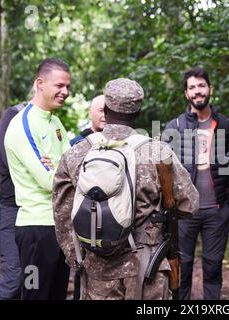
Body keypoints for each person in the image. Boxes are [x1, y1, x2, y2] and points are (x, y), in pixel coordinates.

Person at [52, 78, 199, 300]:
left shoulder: (77, 153)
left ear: (107, 109)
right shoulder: (157, 151)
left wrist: (78, 258)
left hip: (96, 268)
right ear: (138, 112)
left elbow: (62, 211)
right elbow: (190, 204)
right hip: (146, 267)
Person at [163, 67, 229, 300]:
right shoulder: (174, 127)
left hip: (216, 211)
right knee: (182, 267)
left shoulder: (225, 125)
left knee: (213, 266)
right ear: (186, 94)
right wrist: (171, 206)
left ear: (210, 89)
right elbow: (163, 171)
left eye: (201, 86)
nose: (198, 92)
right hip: (185, 213)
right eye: (192, 87)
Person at [4, 58, 72, 300]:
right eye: (59, 86)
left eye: (68, 87)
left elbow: (71, 164)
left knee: (57, 295)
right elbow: (49, 181)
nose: (65, 92)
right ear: (40, 83)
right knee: (34, 294)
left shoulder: (55, 122)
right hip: (35, 232)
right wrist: (61, 170)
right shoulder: (23, 124)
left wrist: (61, 169)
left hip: (60, 227)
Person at [0, 103, 26, 299]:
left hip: (35, 213)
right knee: (13, 277)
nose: (64, 92)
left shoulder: (51, 122)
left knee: (31, 278)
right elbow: (10, 163)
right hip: (11, 207)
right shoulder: (13, 115)